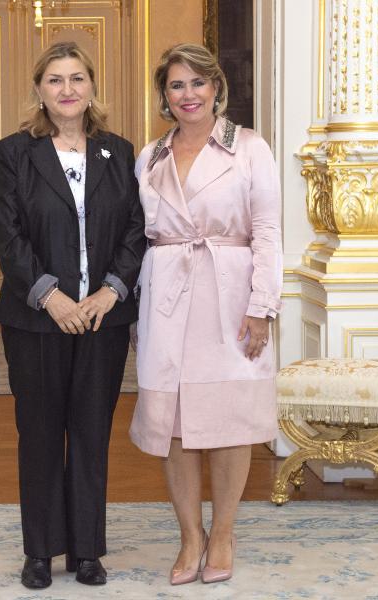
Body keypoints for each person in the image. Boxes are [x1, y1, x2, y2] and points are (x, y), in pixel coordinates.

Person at [0, 41, 145, 590]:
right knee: (38, 433)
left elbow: (135, 232)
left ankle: (87, 550)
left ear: (92, 87)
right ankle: (39, 551)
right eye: (55, 80)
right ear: (39, 90)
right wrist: (51, 297)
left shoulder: (120, 153)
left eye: (77, 78)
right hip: (36, 320)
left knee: (90, 433)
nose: (67, 89)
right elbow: (8, 239)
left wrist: (110, 293)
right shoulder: (13, 153)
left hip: (104, 317)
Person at [129, 43, 282, 585]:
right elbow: (134, 235)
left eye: (197, 83)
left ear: (217, 87)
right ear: (164, 96)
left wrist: (261, 306)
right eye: (176, 85)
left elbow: (266, 230)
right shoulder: (149, 156)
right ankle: (189, 536)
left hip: (230, 293)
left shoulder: (248, 148)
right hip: (168, 294)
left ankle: (223, 534)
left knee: (228, 420)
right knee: (173, 423)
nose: (188, 94)